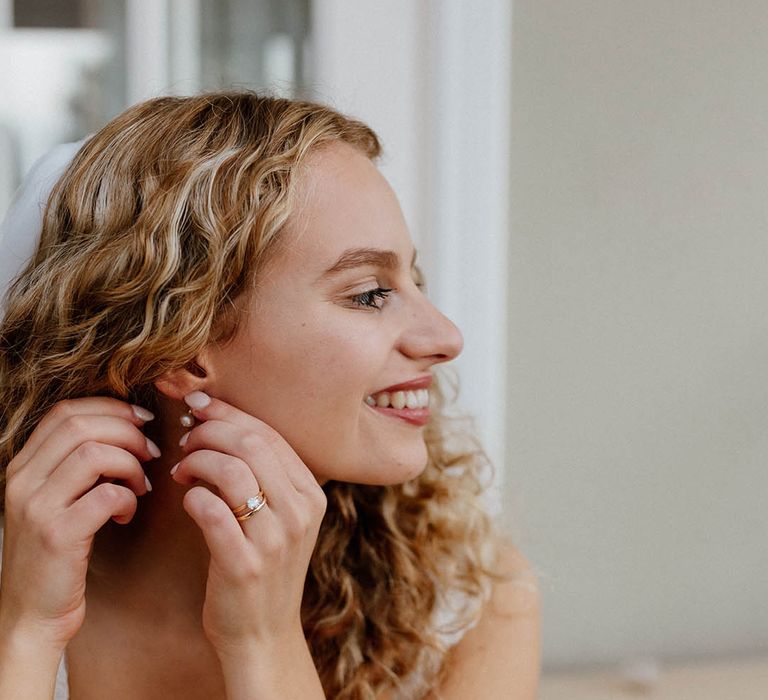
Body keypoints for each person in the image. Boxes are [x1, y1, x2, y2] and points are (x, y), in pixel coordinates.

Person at [0, 92, 540, 699]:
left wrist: (264, 643)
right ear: (182, 344)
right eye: (368, 293)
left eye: (413, 281)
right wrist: (26, 634)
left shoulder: (468, 597)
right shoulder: (20, 578)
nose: (446, 337)